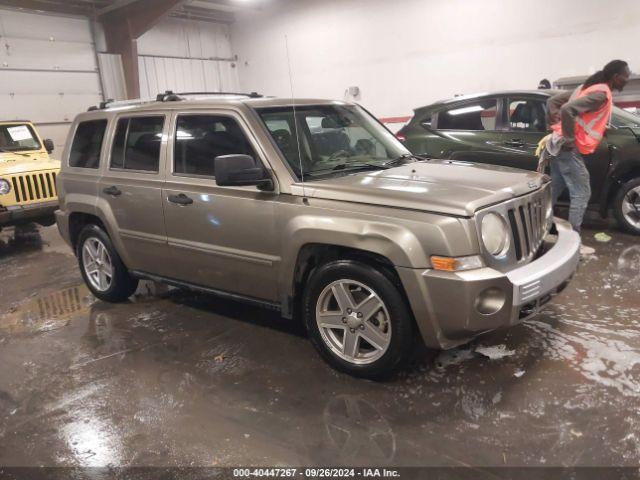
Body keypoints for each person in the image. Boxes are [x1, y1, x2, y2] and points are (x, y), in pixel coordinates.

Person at [546, 60, 631, 255]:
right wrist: (568, 137)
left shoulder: (587, 88)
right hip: (568, 148)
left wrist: (556, 128)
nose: (626, 79)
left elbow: (553, 103)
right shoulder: (601, 94)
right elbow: (568, 110)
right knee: (582, 193)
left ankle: (541, 230)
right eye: (625, 76)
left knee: (554, 190)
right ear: (615, 76)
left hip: (558, 145)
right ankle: (573, 245)